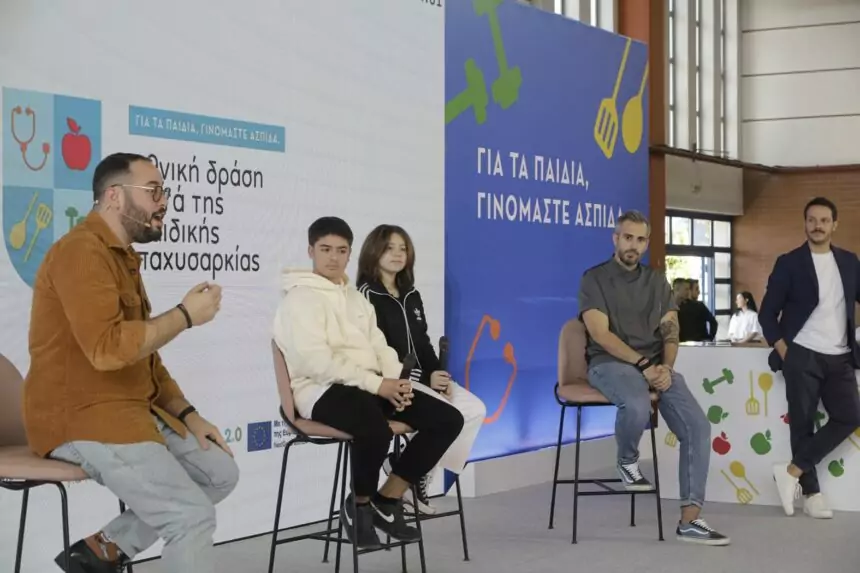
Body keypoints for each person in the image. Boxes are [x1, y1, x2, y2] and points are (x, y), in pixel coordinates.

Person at [23, 153, 239, 573]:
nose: (164, 202)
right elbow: (107, 349)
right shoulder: (80, 252)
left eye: (164, 192)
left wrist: (189, 414)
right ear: (114, 196)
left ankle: (105, 548)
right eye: (153, 192)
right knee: (190, 517)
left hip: (130, 410)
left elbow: (145, 356)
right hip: (82, 418)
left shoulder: (121, 256)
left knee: (220, 474)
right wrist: (185, 316)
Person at [272, 216, 465, 549]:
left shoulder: (355, 298)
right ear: (310, 251)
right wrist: (377, 386)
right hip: (320, 390)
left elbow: (380, 346)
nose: (333, 257)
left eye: (341, 250)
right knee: (375, 426)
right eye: (325, 249)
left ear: (350, 254)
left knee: (447, 419)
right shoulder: (299, 299)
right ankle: (358, 506)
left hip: (368, 386)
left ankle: (387, 500)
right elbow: (314, 363)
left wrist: (397, 383)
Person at [578, 210, 729, 546]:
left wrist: (666, 368)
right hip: (609, 363)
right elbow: (601, 334)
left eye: (640, 239)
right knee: (636, 404)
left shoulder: (658, 281)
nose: (633, 245)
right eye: (627, 237)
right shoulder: (594, 279)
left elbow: (670, 330)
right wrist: (645, 364)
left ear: (646, 243)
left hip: (655, 367)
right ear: (615, 239)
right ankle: (627, 460)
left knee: (698, 427)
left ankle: (690, 520)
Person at [356, 224, 487, 515]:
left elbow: (423, 343)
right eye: (389, 248)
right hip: (392, 384)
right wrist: (424, 378)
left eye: (403, 248)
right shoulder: (364, 296)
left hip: (421, 381)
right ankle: (409, 476)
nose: (397, 254)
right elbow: (375, 354)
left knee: (474, 409)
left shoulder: (411, 294)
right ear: (373, 251)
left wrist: (438, 375)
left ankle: (410, 471)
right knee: (447, 418)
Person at [759, 197, 860, 519]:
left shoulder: (849, 262)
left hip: (840, 356)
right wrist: (785, 351)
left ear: (834, 225)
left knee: (850, 416)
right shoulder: (789, 263)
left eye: (824, 220)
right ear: (805, 223)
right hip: (802, 354)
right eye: (812, 220)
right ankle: (812, 495)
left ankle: (791, 471)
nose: (818, 226)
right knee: (802, 424)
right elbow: (767, 314)